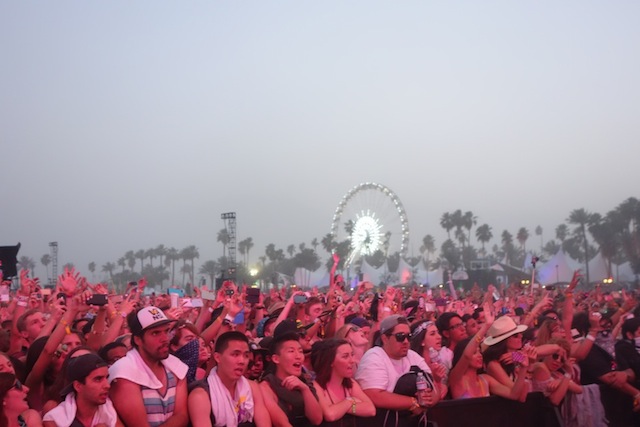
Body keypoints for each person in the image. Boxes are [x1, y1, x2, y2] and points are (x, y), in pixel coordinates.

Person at [109, 306, 189, 427]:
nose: (165, 339)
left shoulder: (176, 367)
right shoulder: (124, 372)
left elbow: (182, 416)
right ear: (138, 340)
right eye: (155, 333)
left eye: (166, 331)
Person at [355, 315, 438, 427]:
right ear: (385, 338)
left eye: (408, 336)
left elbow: (434, 387)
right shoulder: (374, 357)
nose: (406, 341)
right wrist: (413, 402)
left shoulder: (413, 356)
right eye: (400, 337)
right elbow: (373, 395)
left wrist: (429, 399)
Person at [188, 331, 270, 427]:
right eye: (235, 354)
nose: (242, 361)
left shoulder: (252, 388)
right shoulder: (200, 396)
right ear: (217, 357)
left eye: (246, 356)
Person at [259, 331, 322, 427]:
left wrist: (305, 389)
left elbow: (317, 420)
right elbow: (282, 424)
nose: (298, 356)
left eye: (300, 351)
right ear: (276, 359)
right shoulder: (266, 387)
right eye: (291, 351)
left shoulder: (305, 381)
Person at [43, 353, 121, 427]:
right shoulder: (55, 420)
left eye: (106, 378)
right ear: (78, 386)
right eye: (98, 379)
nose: (107, 385)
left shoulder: (109, 412)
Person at [311, 338, 375, 426]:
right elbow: (330, 415)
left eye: (352, 355)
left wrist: (342, 408)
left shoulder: (351, 383)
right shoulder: (317, 386)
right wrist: (350, 401)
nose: (352, 361)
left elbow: (371, 410)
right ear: (331, 361)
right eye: (345, 356)